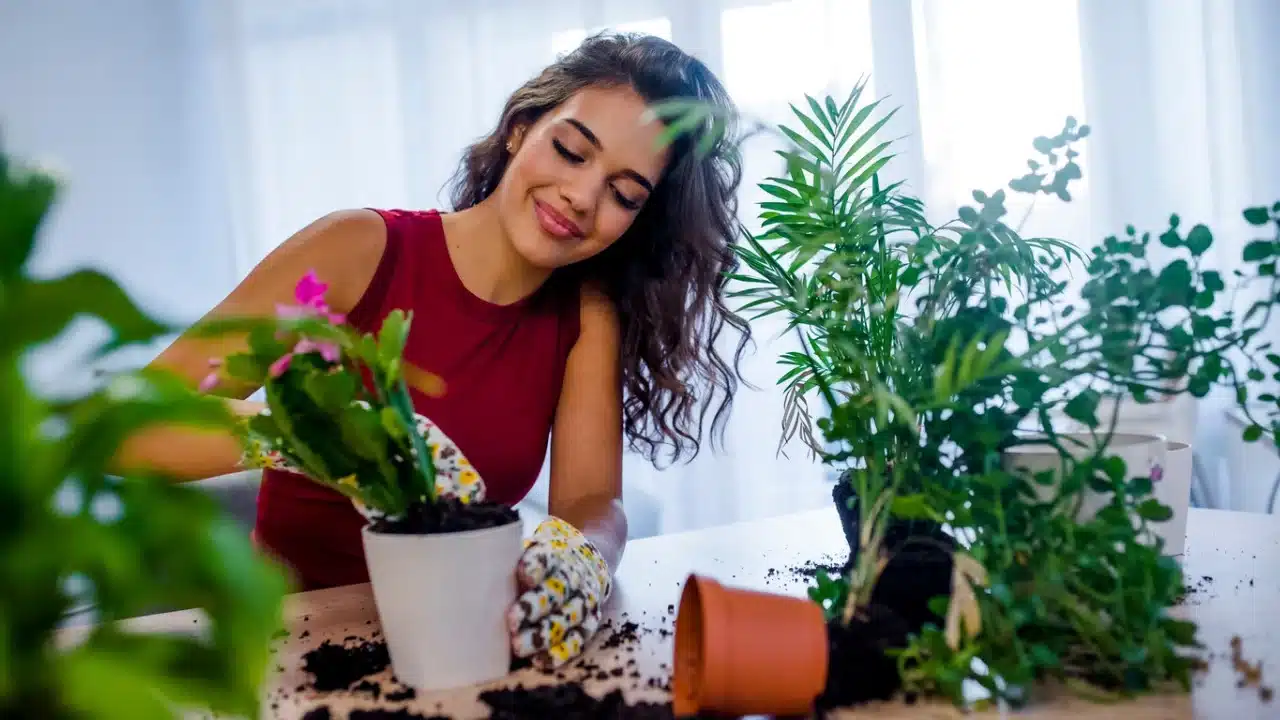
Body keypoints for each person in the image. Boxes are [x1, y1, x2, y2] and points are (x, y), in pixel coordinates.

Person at [114, 31, 751, 669]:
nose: (582, 197)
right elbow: (129, 428)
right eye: (569, 150)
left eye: (625, 194)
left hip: (456, 645)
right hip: (287, 643)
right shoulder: (359, 250)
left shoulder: (584, 314)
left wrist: (584, 555)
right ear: (520, 129)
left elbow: (591, 500)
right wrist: (315, 436)